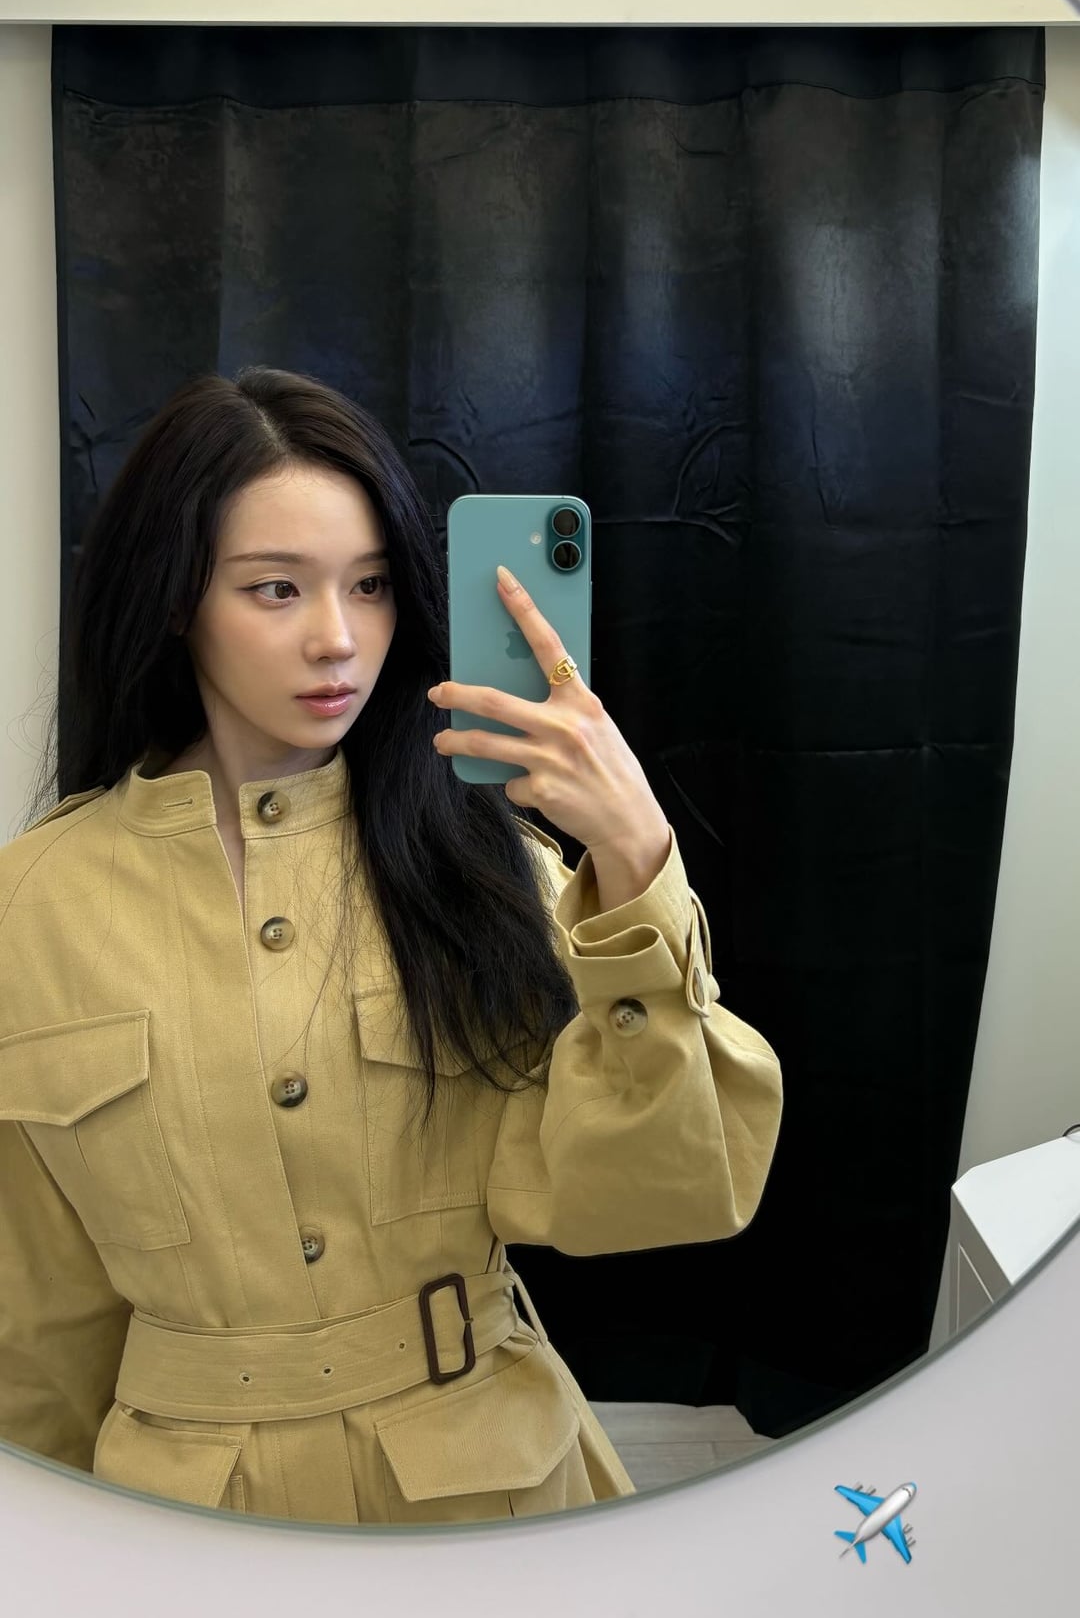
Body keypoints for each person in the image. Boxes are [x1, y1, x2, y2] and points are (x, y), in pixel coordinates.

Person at [0, 367, 783, 1526]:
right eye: (275, 587)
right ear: (175, 599)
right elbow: (36, 1317)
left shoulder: (484, 865)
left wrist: (634, 858)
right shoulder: (31, 908)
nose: (338, 639)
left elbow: (663, 1189)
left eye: (370, 585)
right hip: (192, 1532)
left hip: (487, 1492)